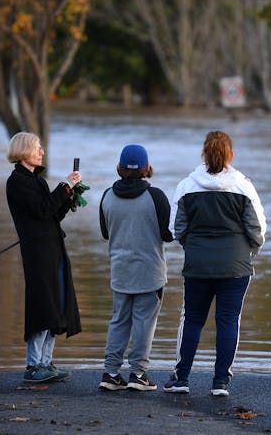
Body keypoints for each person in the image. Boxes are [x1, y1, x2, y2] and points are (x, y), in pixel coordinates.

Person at [164, 131, 266, 396]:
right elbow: (258, 232)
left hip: (198, 265)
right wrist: (246, 252)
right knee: (228, 321)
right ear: (230, 154)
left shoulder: (187, 185)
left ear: (204, 153)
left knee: (192, 319)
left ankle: (181, 378)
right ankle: (220, 382)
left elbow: (176, 229)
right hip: (235, 266)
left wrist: (195, 248)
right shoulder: (243, 186)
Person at [5, 132, 82, 383]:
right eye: (37, 148)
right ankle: (33, 365)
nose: (41, 152)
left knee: (56, 305)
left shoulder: (37, 180)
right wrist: (64, 187)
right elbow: (40, 210)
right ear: (24, 150)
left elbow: (51, 215)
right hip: (37, 253)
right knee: (42, 305)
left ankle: (46, 363)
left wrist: (68, 196)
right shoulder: (17, 181)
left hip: (53, 249)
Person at [98, 145, 174, 392]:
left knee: (119, 320)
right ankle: (137, 374)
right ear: (146, 168)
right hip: (150, 273)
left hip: (120, 271)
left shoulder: (107, 196)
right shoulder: (157, 197)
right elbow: (167, 234)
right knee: (144, 323)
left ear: (119, 168)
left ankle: (110, 373)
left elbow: (105, 233)